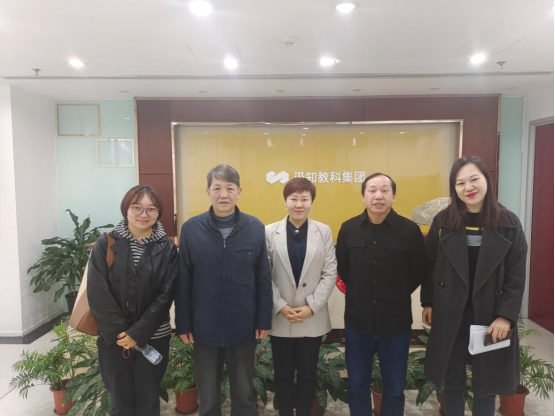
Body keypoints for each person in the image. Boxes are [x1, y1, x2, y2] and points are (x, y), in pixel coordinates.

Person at [421, 156, 528, 416]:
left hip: (491, 317)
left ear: (486, 181)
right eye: (460, 183)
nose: (468, 187)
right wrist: (428, 302)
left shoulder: (509, 223)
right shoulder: (443, 222)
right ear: (454, 188)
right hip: (451, 314)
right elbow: (430, 264)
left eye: (474, 179)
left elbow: (516, 275)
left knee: (485, 385)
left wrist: (505, 316)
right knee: (453, 380)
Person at [175, 164, 273, 416]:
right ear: (207, 191)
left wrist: (263, 319)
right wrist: (183, 324)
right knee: (208, 396)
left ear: (239, 191)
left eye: (229, 188)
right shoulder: (191, 229)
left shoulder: (254, 227)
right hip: (204, 326)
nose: (223, 195)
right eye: (217, 188)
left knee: (244, 394)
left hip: (243, 325)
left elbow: (263, 278)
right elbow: (184, 281)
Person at [336, 173, 427, 416]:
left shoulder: (410, 231)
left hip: (395, 324)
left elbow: (419, 271)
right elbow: (343, 269)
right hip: (357, 323)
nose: (378, 196)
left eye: (385, 190)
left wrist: (394, 293)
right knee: (356, 387)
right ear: (363, 196)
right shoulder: (348, 229)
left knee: (395, 389)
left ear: (393, 196)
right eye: (372, 190)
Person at [88, 185, 178, 416]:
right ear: (126, 209)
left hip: (154, 336)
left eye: (151, 209)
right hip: (114, 339)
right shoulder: (106, 243)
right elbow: (97, 291)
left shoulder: (167, 248)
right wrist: (122, 333)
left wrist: (137, 333)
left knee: (149, 401)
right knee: (121, 402)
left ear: (158, 212)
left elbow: (166, 294)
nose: (143, 214)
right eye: (137, 207)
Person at [266, 178, 337, 416]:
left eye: (304, 199)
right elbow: (264, 274)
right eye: (293, 199)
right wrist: (279, 305)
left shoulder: (323, 231)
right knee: (282, 375)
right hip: (281, 317)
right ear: (285, 201)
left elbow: (330, 273)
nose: (299, 204)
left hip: (311, 318)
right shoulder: (269, 232)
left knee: (308, 375)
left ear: (312, 202)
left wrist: (311, 306)